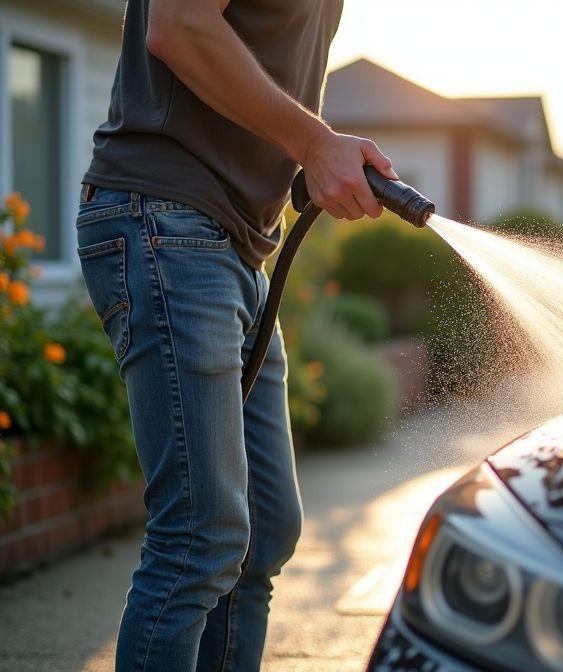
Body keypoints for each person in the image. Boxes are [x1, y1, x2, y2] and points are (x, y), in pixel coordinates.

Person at [76, 1, 393, 669]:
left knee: (263, 530)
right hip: (167, 220)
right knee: (200, 537)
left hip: (233, 247)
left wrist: (310, 152)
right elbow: (179, 23)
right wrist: (311, 142)